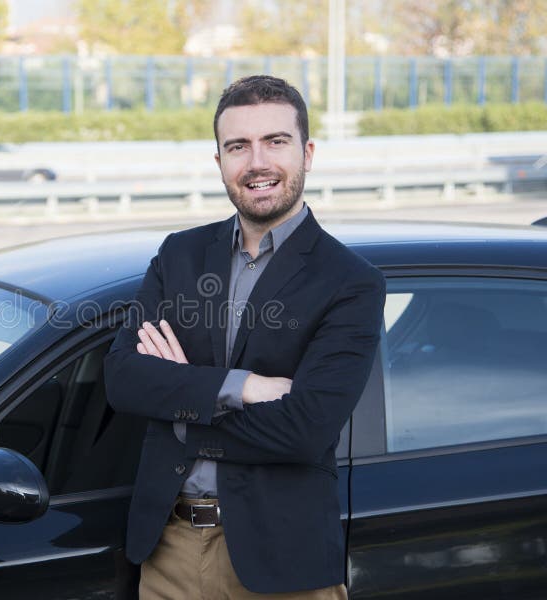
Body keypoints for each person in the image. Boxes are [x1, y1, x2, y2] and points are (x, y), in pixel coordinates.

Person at [104, 75, 386, 599]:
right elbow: (123, 379)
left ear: (307, 153)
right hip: (168, 552)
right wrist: (244, 386)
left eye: (275, 142)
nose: (257, 162)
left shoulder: (350, 281)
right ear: (219, 163)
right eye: (238, 146)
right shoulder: (180, 255)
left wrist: (181, 409)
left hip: (281, 564)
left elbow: (305, 429)